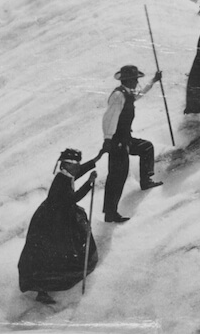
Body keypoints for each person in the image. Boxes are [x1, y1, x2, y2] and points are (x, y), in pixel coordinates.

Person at [18, 148, 101, 304]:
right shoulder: (61, 182)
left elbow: (77, 173)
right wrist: (89, 183)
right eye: (74, 165)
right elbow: (73, 198)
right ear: (65, 165)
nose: (77, 167)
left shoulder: (65, 175)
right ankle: (42, 291)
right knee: (49, 255)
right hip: (52, 223)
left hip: (58, 216)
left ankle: (46, 287)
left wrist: (94, 161)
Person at [101, 64, 163, 223]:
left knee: (146, 147)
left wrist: (153, 81)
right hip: (117, 142)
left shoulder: (127, 93)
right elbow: (110, 118)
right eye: (134, 79)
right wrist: (108, 139)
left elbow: (139, 94)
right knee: (117, 176)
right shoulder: (118, 96)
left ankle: (145, 180)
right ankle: (110, 213)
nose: (136, 82)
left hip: (125, 138)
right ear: (127, 80)